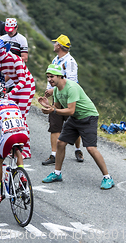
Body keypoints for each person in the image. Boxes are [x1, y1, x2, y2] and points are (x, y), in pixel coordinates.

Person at [38, 64, 114, 190]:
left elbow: (70, 110)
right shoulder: (56, 90)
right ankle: (57, 174)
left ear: (60, 76)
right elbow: (56, 108)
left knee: (90, 148)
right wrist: (47, 105)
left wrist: (53, 111)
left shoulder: (71, 87)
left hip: (88, 117)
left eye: (52, 76)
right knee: (60, 143)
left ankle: (107, 177)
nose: (49, 79)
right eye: (48, 77)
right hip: (75, 118)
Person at [0, 38, 35, 158]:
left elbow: (23, 80)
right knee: (11, 116)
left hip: (27, 86)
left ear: (4, 49)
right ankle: (14, 146)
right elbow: (1, 82)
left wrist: (9, 94)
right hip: (16, 87)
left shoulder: (16, 59)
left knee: (21, 117)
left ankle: (26, 150)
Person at [42, 34, 83, 165]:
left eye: (55, 43)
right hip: (56, 97)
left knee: (74, 124)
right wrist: (49, 90)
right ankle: (53, 154)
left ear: (59, 45)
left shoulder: (70, 62)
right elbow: (51, 76)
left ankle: (77, 149)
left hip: (68, 98)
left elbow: (71, 82)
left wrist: (53, 90)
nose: (54, 45)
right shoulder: (56, 60)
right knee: (54, 125)